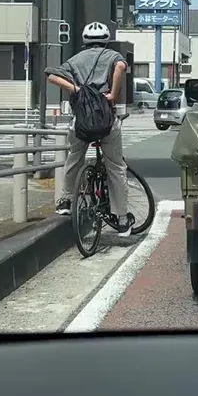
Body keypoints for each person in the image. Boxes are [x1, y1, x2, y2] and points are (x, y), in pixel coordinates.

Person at [45, 21, 133, 236]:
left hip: (82, 120)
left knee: (75, 158)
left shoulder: (75, 60)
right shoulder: (112, 56)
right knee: (115, 166)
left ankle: (66, 201)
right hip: (106, 119)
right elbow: (121, 67)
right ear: (106, 39)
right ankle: (122, 219)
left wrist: (76, 89)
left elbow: (52, 76)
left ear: (85, 40)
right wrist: (112, 94)